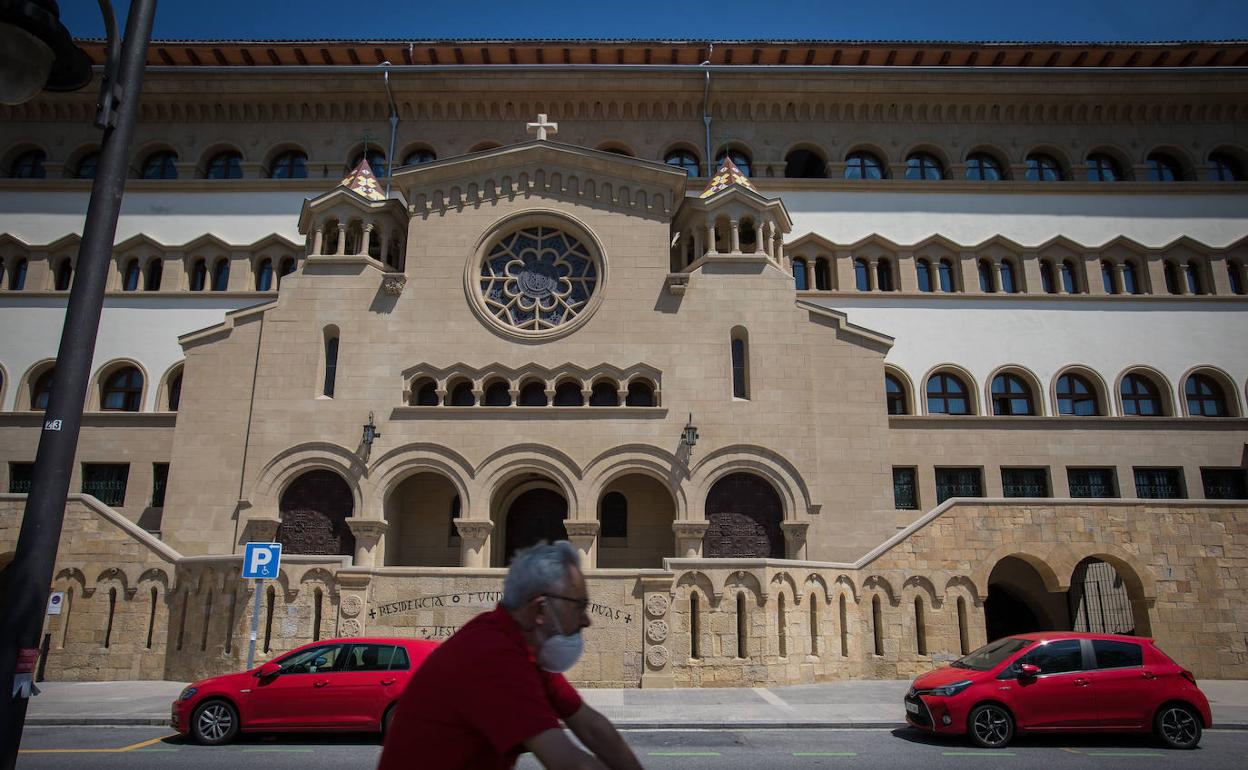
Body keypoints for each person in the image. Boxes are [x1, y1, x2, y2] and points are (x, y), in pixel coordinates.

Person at [377, 540, 644, 770]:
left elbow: (592, 727)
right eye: (579, 607)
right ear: (541, 610)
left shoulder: (525, 649)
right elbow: (566, 761)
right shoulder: (492, 654)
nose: (586, 620)